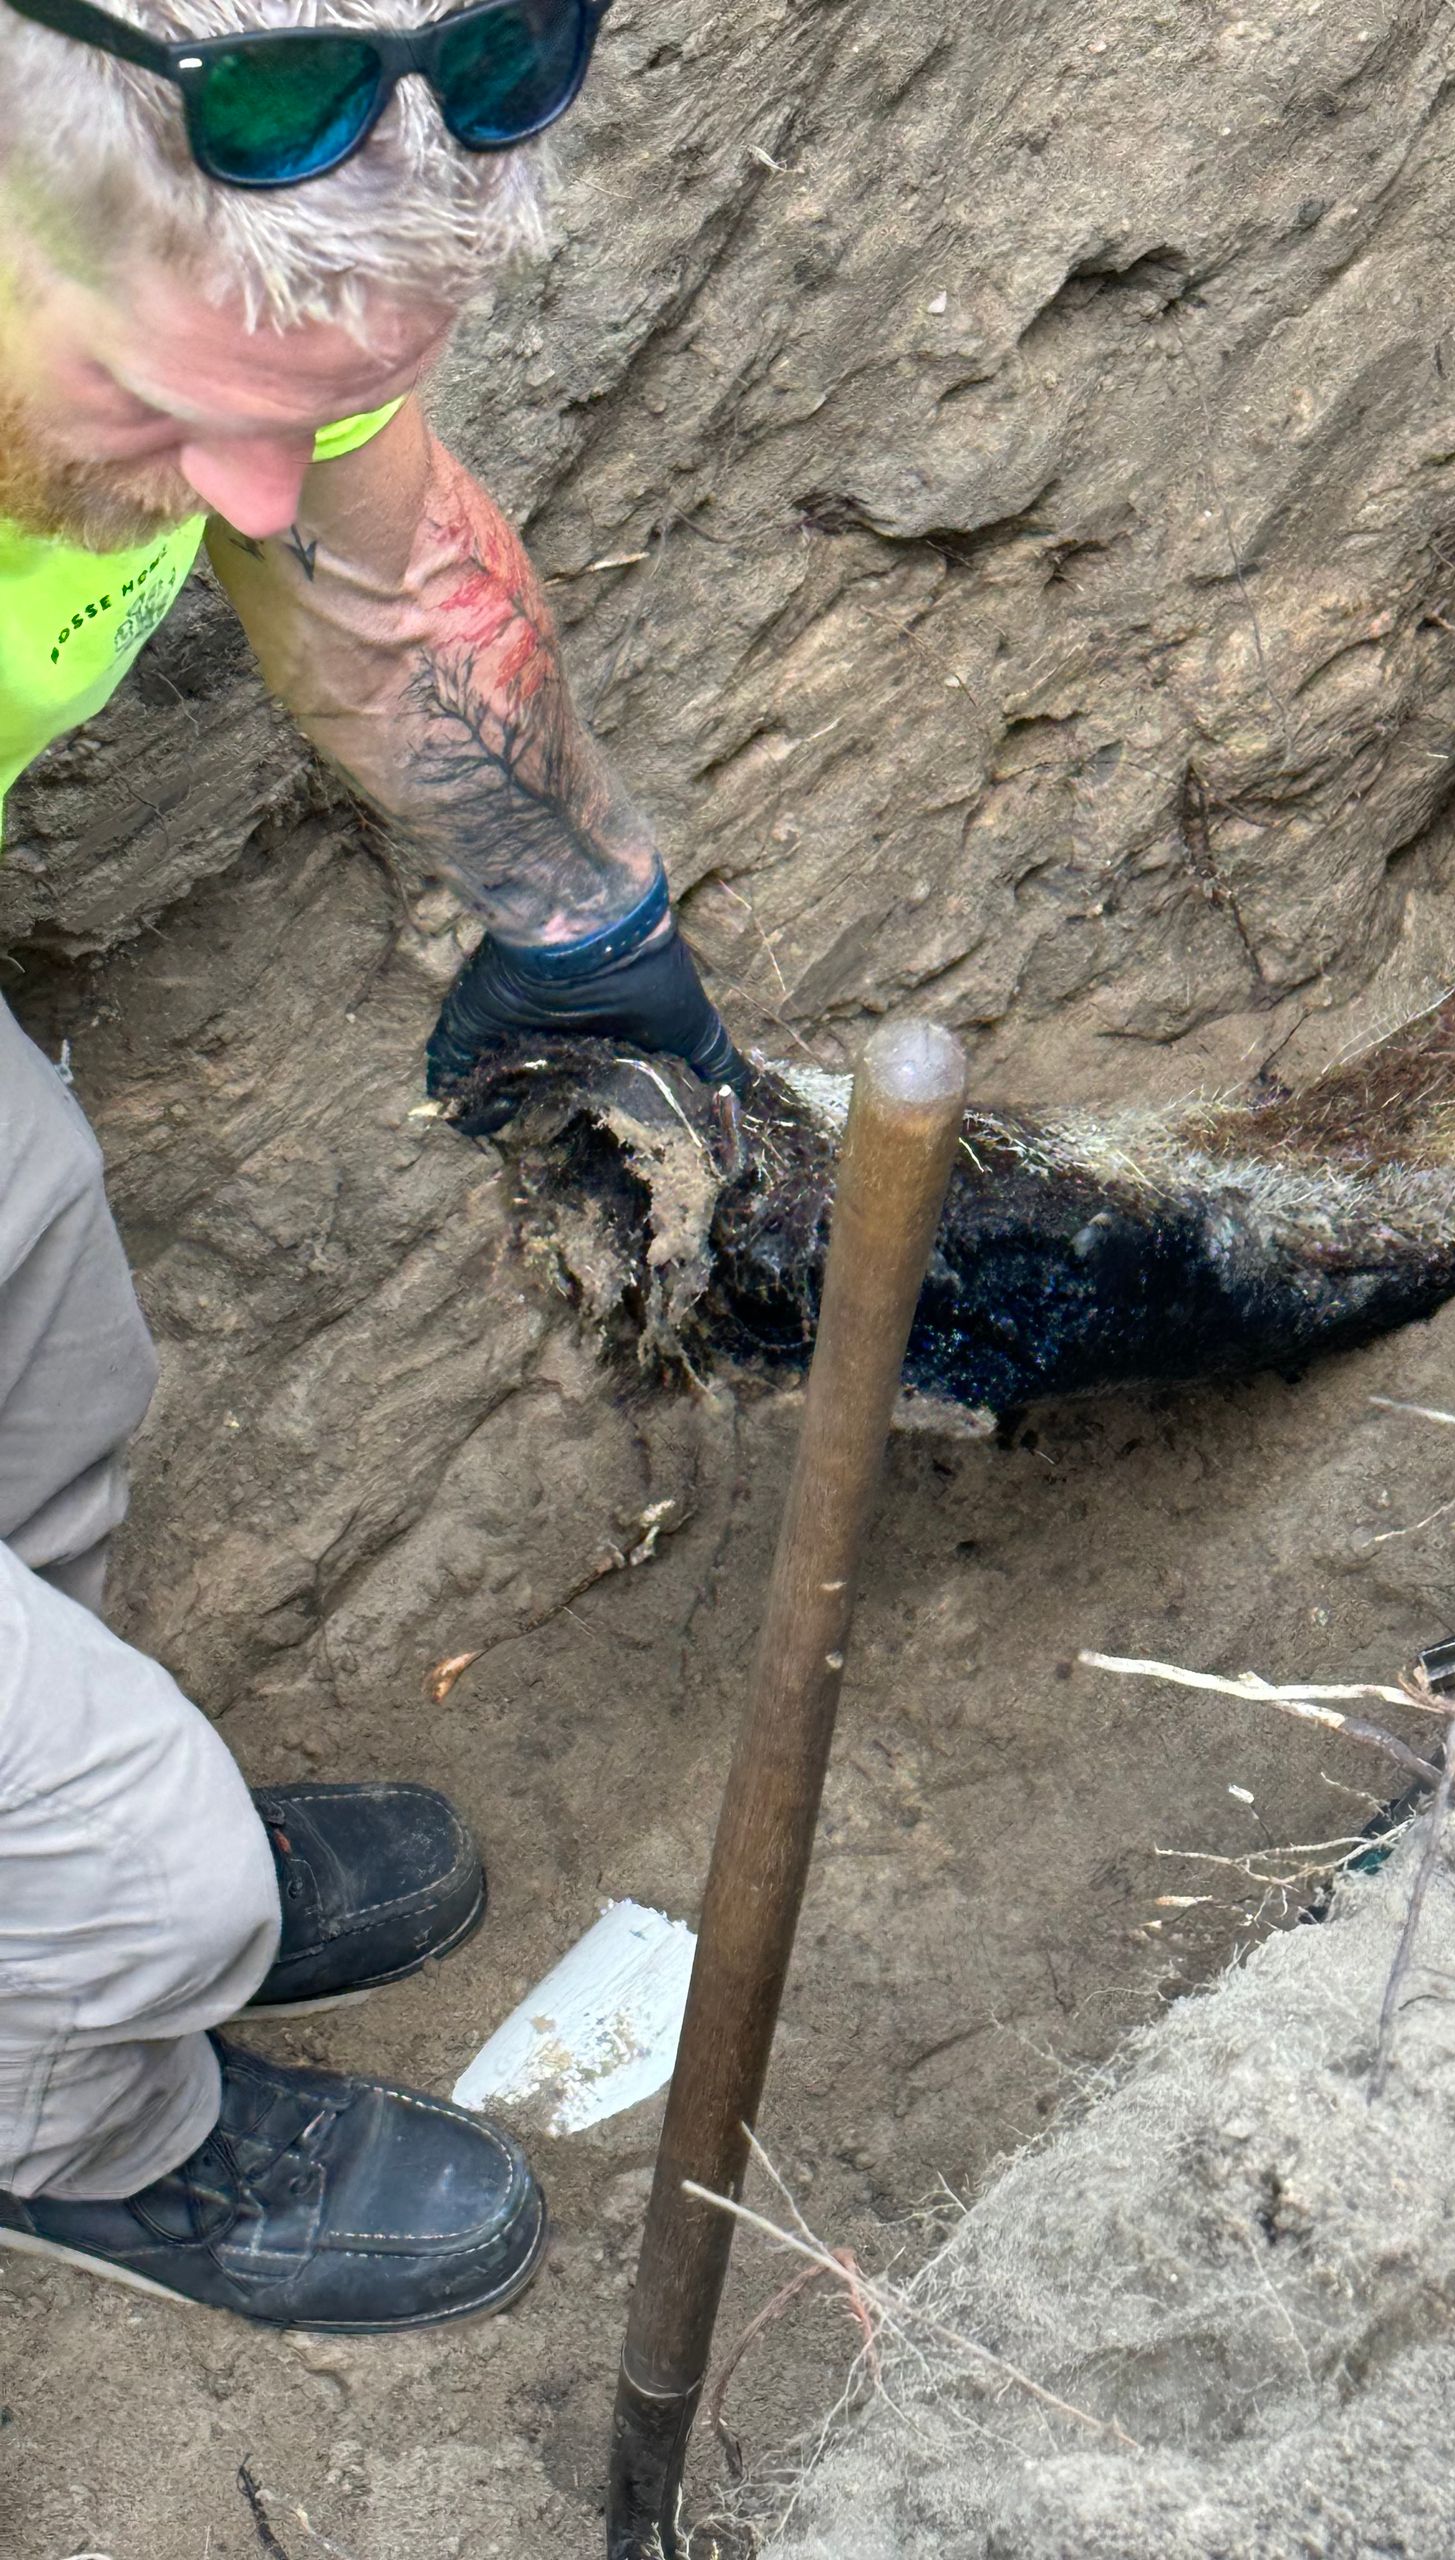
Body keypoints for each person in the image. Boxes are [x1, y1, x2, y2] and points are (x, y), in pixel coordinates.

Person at [0, 0, 742, 2330]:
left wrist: (590, 926)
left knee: (48, 1332)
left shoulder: (204, 227)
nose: (248, 486)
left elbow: (373, 559)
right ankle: (76, 2114)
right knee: (149, 1875)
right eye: (166, 410)